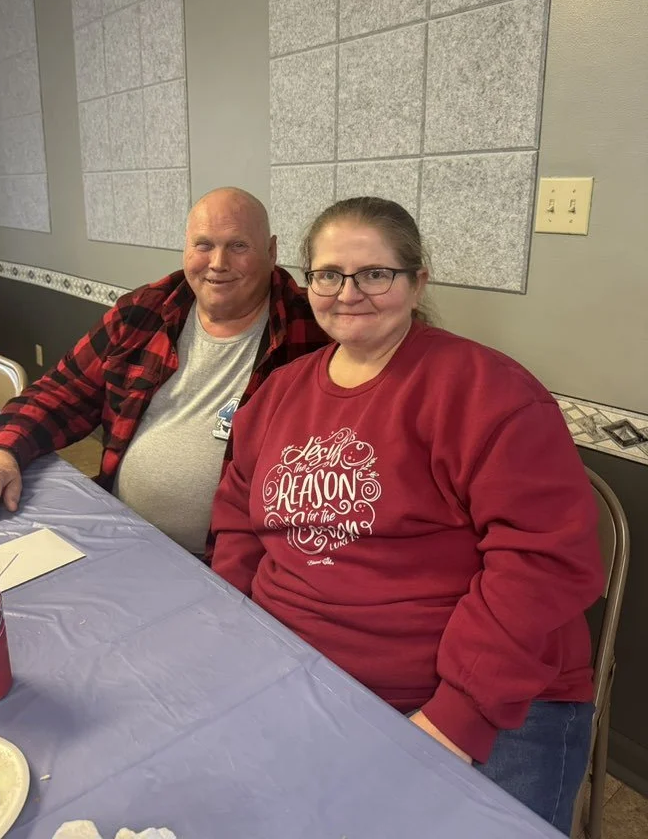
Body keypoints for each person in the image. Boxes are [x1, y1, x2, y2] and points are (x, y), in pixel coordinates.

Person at [210, 196, 604, 834]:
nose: (348, 292)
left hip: (486, 696)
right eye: (329, 274)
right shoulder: (280, 390)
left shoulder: (487, 392)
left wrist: (456, 716)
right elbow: (237, 520)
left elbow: (544, 564)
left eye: (375, 274)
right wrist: (240, 634)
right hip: (300, 672)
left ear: (418, 282)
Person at [0, 187, 329, 554]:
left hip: (232, 563)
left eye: (238, 246)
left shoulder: (314, 328)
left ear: (272, 250)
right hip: (122, 531)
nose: (218, 263)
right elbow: (61, 392)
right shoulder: (143, 314)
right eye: (204, 245)